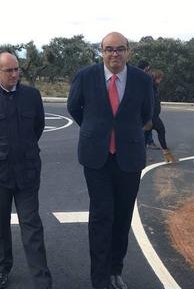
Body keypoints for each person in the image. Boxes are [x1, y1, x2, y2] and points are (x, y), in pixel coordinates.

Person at [67, 32, 153, 289]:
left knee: (123, 216)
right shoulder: (86, 76)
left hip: (129, 157)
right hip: (97, 158)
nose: (114, 54)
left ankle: (116, 269)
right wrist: (96, 130)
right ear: (101, 51)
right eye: (109, 49)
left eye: (120, 49)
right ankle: (100, 278)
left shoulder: (141, 79)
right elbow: (74, 108)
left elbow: (148, 113)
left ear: (129, 52)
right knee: (101, 215)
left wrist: (124, 132)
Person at [0, 51, 52, 289]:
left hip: (27, 171)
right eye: (9, 70)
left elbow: (38, 127)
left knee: (32, 225)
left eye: (17, 69)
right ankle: (3, 266)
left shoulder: (32, 96)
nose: (15, 74)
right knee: (0, 225)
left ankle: (42, 280)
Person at [149, 70, 177, 162]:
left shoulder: (154, 87)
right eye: (160, 78)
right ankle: (166, 153)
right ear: (156, 78)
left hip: (153, 115)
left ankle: (165, 153)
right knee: (161, 130)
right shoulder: (150, 88)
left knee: (145, 136)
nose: (161, 80)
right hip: (151, 116)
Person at [137, 60, 157, 149]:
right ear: (146, 67)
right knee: (146, 125)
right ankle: (148, 142)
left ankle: (147, 142)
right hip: (143, 106)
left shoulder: (133, 74)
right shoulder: (145, 77)